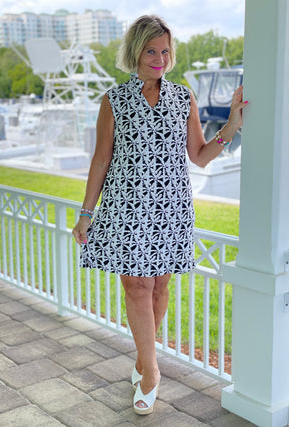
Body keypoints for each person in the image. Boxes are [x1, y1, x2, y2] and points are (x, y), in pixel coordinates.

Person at [72, 15, 247, 415]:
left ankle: (141, 360)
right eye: (151, 50)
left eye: (165, 51)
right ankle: (151, 370)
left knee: (160, 287)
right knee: (136, 286)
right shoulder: (113, 100)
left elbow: (200, 157)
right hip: (125, 207)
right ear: (135, 51)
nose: (159, 58)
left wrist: (233, 124)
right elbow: (100, 161)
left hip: (171, 207)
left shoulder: (183, 97)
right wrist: (86, 212)